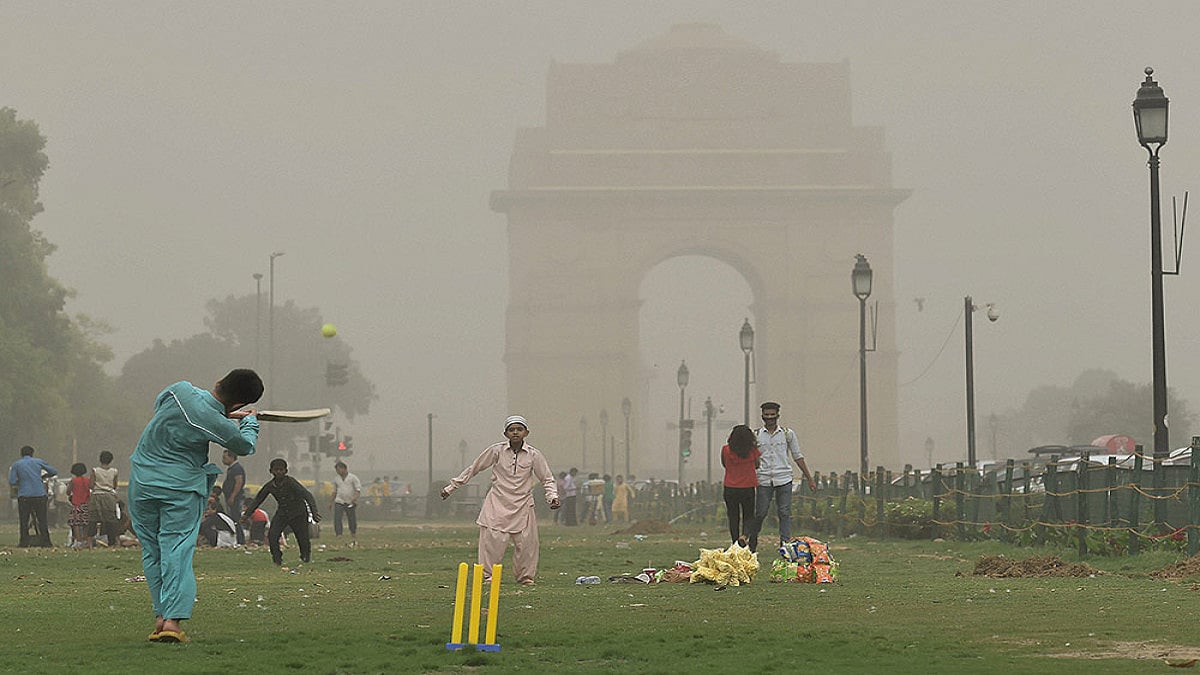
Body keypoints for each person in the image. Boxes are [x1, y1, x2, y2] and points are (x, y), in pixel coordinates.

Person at [128, 368, 263, 644]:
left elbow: (167, 407)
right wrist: (249, 421)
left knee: (152, 550)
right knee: (176, 549)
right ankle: (172, 621)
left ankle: (160, 617)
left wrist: (222, 414)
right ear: (239, 403)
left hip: (142, 482)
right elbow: (244, 445)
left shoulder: (179, 390)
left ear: (219, 381)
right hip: (180, 488)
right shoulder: (218, 424)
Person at [441, 415, 560, 585]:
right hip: (497, 504)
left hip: (523, 505)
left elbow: (547, 479)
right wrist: (451, 488)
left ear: (526, 432)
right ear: (505, 433)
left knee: (527, 545)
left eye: (519, 429)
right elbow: (474, 468)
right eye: (511, 430)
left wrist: (552, 497)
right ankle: (488, 577)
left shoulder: (534, 455)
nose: (515, 433)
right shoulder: (496, 451)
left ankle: (525, 577)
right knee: (491, 544)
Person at [751, 402, 816, 553]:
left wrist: (809, 478)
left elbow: (797, 456)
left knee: (784, 512)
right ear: (762, 416)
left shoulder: (787, 434)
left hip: (784, 477)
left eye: (772, 415)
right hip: (763, 478)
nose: (769, 418)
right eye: (767, 415)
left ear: (778, 416)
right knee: (761, 512)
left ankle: (785, 545)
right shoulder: (756, 435)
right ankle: (752, 541)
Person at [243, 458, 321, 566]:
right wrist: (246, 515)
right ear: (271, 471)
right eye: (276, 470)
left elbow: (307, 495)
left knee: (302, 537)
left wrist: (314, 512)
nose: (279, 472)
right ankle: (277, 559)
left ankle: (305, 557)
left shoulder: (291, 482)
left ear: (286, 471)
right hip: (283, 513)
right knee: (272, 535)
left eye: (281, 470)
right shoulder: (270, 485)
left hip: (298, 513)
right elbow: (258, 500)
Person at [9, 445, 57, 547]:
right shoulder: (38, 461)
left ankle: (24, 542)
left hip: (24, 495)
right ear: (32, 454)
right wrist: (43, 476)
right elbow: (53, 471)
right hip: (39, 494)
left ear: (21, 454)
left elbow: (12, 481)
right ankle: (46, 541)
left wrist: (21, 481)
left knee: (24, 520)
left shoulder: (16, 464)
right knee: (42, 519)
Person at [722, 425, 761, 548]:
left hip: (730, 487)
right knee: (748, 514)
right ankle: (744, 535)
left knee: (733, 516)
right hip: (748, 486)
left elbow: (724, 464)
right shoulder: (752, 451)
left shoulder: (726, 450)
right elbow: (757, 465)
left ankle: (735, 541)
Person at [89, 451, 120, 547]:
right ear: (111, 460)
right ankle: (113, 542)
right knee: (111, 519)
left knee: (93, 519)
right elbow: (115, 485)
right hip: (109, 496)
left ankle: (90, 542)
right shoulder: (114, 471)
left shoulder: (95, 470)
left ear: (100, 459)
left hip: (96, 495)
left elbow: (91, 485)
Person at [330, 460, 361, 546]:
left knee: (351, 518)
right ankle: (338, 534)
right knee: (337, 518)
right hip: (339, 501)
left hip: (350, 501)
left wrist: (355, 498)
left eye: (339, 469)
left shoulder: (353, 478)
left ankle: (353, 532)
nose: (338, 471)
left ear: (344, 468)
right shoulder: (336, 479)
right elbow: (334, 491)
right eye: (336, 470)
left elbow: (358, 490)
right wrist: (331, 502)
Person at [221, 449, 247, 545]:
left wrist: (233, 496)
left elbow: (238, 482)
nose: (223, 460)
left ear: (232, 457)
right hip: (231, 497)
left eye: (225, 457)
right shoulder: (232, 468)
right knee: (232, 517)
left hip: (236, 499)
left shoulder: (237, 468)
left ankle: (240, 539)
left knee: (236, 518)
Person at [67, 462, 92, 549]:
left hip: (76, 504)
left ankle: (78, 540)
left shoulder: (73, 481)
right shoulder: (87, 480)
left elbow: (68, 492)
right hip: (86, 503)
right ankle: (85, 539)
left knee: (76, 523)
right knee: (85, 522)